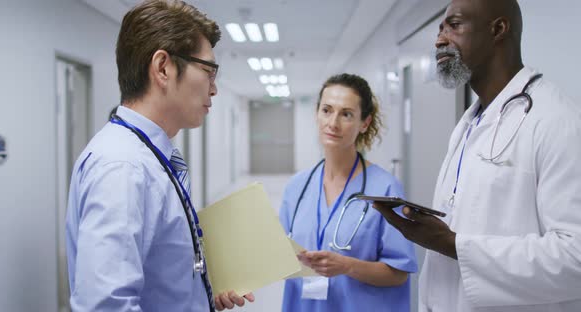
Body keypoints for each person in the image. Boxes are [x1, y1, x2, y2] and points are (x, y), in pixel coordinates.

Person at [375, 0, 581, 311]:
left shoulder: (557, 121)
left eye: (454, 26)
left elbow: (575, 257)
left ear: (498, 29)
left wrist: (451, 244)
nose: (439, 39)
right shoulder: (469, 123)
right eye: (440, 29)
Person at [65, 1, 254, 311]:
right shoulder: (123, 167)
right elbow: (106, 306)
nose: (214, 88)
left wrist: (199, 293)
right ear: (163, 68)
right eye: (208, 70)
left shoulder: (147, 157)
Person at [279, 73, 417, 312]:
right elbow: (279, 254)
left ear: (364, 123)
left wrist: (347, 266)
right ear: (317, 114)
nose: (333, 123)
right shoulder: (297, 186)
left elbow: (398, 273)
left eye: (346, 114)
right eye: (327, 110)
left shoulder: (385, 188)